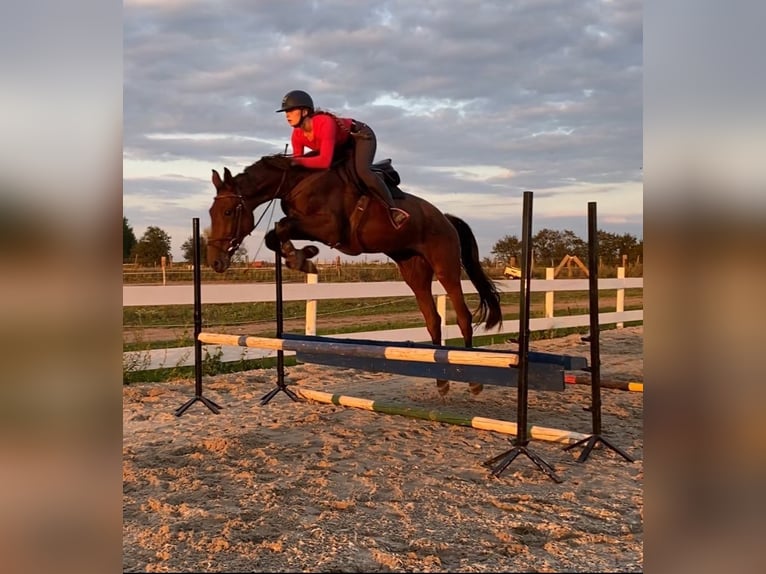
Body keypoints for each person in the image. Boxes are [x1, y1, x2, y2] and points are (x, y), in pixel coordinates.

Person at [276, 90, 410, 229]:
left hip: (360, 137)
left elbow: (324, 161)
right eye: (286, 112)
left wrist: (296, 161)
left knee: (362, 171)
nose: (287, 115)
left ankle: (393, 210)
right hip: (340, 145)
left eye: (291, 111)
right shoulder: (297, 135)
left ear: (304, 111)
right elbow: (299, 164)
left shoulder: (324, 123)